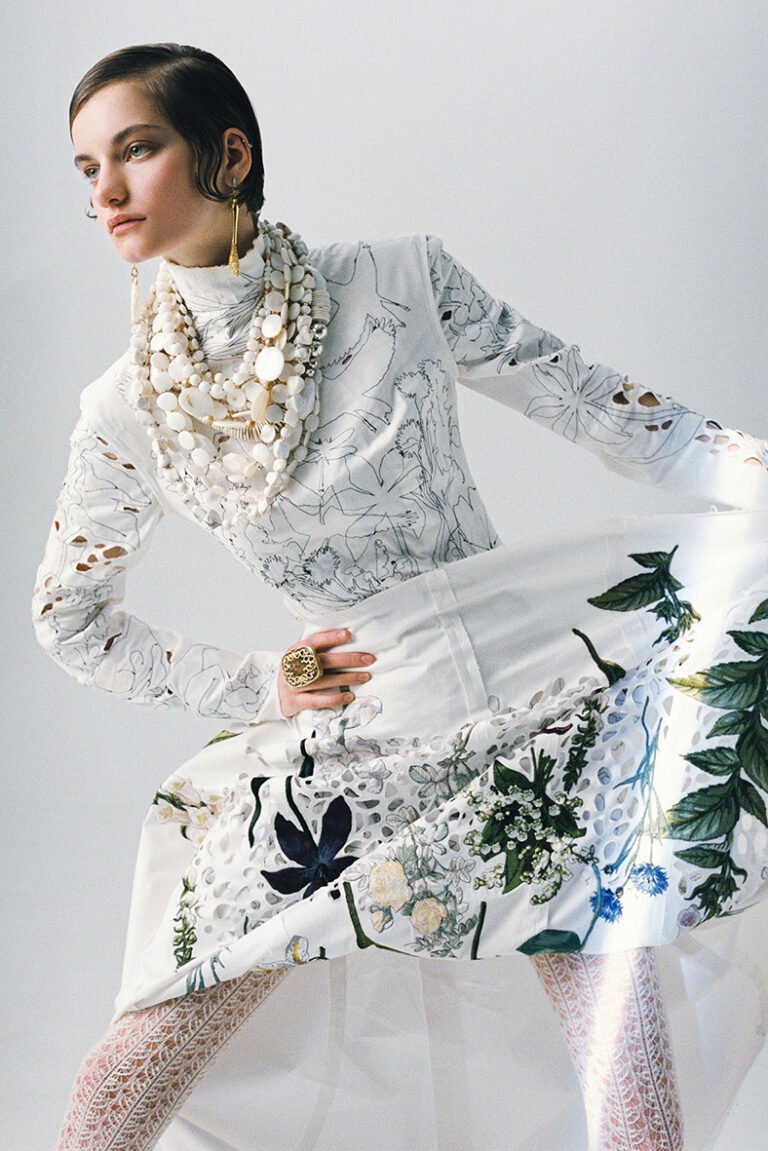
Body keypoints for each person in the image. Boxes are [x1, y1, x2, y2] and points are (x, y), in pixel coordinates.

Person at [33, 42, 767, 1151]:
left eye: (136, 149)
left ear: (229, 152)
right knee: (123, 1076)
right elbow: (68, 615)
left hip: (534, 720)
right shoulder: (124, 408)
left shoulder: (396, 280)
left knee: (630, 1085)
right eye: (86, 168)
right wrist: (258, 686)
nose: (107, 192)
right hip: (356, 752)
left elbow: (606, 409)